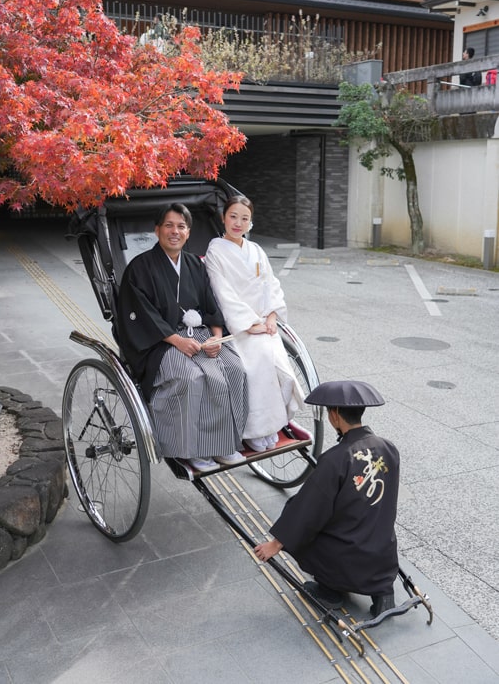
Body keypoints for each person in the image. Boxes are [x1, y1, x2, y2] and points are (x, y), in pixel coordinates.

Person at [117, 203, 248, 472]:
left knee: (235, 369)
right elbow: (142, 315)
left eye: (181, 226)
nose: (174, 231)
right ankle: (194, 449)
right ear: (157, 230)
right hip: (160, 343)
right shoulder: (139, 268)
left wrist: (216, 337)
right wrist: (176, 341)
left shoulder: (193, 264)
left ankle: (224, 445)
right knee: (192, 376)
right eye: (169, 225)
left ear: (188, 232)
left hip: (200, 335)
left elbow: (211, 305)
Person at [254, 380, 400, 618]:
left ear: (334, 415)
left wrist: (276, 543)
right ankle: (383, 594)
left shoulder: (335, 459)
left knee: (307, 531)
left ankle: (330, 590)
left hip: (346, 560)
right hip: (382, 554)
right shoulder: (388, 448)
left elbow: (308, 510)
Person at [204, 196, 305, 453]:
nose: (238, 223)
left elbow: (271, 284)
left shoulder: (256, 250)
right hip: (238, 327)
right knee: (257, 368)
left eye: (244, 218)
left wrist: (271, 316)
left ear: (250, 222)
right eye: (233, 216)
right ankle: (253, 430)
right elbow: (222, 292)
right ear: (224, 218)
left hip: (265, 324)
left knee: (282, 368)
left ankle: (275, 424)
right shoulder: (216, 249)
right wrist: (249, 324)